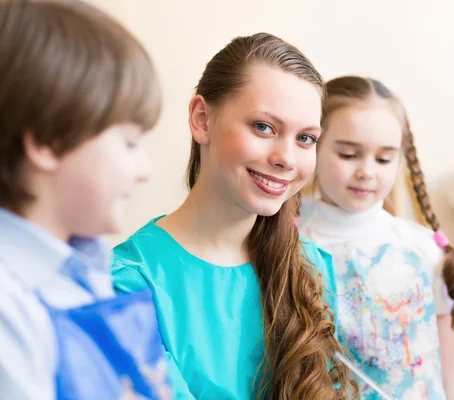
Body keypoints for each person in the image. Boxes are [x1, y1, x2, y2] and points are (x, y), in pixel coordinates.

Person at [111, 33, 358, 399]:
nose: (287, 158)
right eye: (264, 127)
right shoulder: (128, 285)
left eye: (305, 138)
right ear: (202, 119)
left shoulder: (310, 267)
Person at [0, 1, 169, 399]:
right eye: (129, 143)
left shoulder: (86, 268)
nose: (145, 169)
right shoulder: (9, 307)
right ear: (48, 141)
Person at [300, 76, 454, 399]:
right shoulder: (291, 246)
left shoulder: (422, 248)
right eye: (348, 154)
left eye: (383, 159)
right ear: (313, 145)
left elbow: (446, 373)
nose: (367, 171)